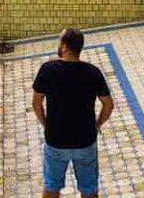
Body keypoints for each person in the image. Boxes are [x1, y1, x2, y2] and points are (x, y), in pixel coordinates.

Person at [31, 27, 115, 198]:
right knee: (89, 189)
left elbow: (36, 102)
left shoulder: (47, 70)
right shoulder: (93, 72)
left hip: (56, 142)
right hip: (85, 141)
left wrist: (46, 125)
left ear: (64, 47)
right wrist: (97, 124)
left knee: (51, 187)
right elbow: (108, 105)